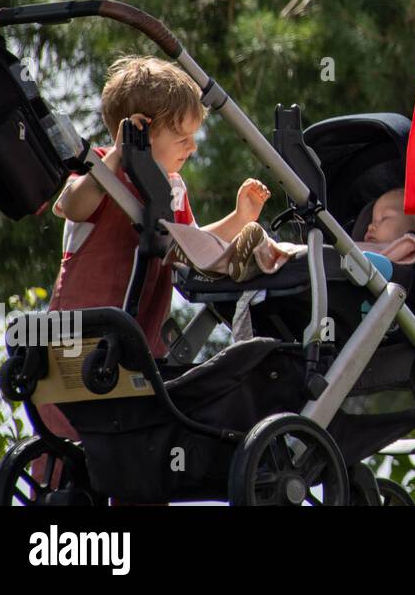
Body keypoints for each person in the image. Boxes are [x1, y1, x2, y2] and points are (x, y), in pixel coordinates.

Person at [40, 56, 272, 447]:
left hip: (139, 348)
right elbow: (76, 206)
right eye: (182, 138)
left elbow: (191, 246)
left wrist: (238, 218)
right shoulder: (99, 170)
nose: (192, 148)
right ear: (141, 131)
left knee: (140, 450)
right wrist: (117, 155)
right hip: (79, 336)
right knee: (67, 443)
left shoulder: (172, 189)